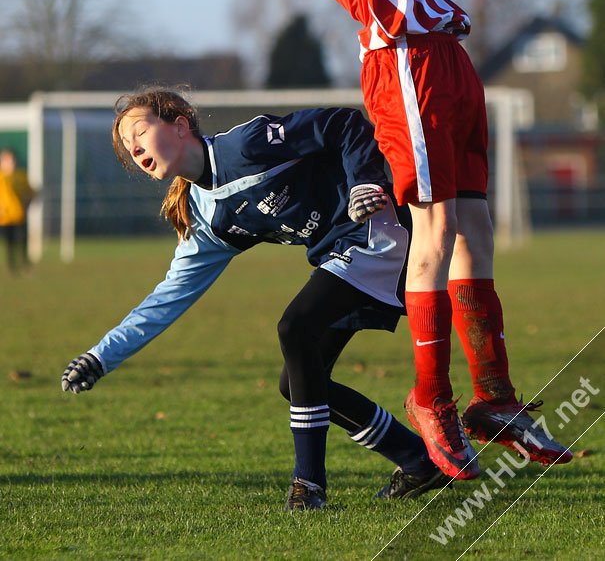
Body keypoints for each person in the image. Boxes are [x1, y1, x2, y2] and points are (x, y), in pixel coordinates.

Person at [207, 0, 573, 479]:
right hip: (403, 64)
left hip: (443, 57)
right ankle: (430, 399)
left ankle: (494, 400)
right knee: (432, 232)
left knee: (474, 228)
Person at [61, 88, 452, 511]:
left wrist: (365, 183)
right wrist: (100, 357)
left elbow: (343, 123)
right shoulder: (207, 218)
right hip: (342, 256)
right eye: (127, 146)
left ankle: (309, 486)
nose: (134, 147)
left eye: (139, 131)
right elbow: (167, 299)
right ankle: (416, 460)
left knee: (295, 327)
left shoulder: (244, 145)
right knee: (298, 382)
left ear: (179, 125)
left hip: (380, 233)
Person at [0, 148, 36, 275]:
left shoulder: (21, 176)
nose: (9, 163)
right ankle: (12, 267)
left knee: (22, 240)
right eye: (6, 160)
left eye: (11, 160)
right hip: (5, 217)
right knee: (9, 242)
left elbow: (31, 193)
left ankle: (25, 264)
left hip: (19, 214)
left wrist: (28, 202)